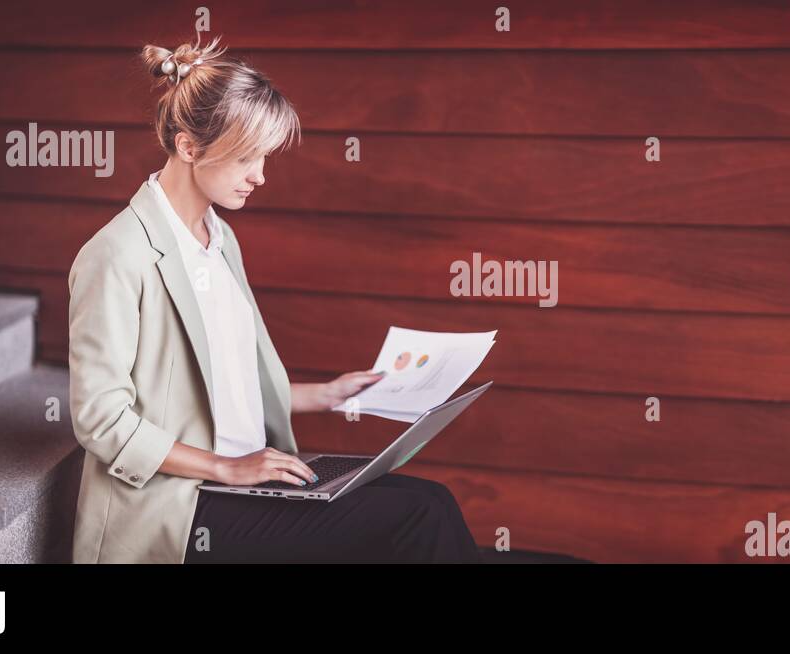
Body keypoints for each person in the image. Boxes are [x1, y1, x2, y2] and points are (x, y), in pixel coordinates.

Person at [66, 36, 481, 563]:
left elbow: (223, 380)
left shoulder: (218, 239)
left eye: (264, 156)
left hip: (247, 476)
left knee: (430, 498)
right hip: (183, 504)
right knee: (418, 518)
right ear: (188, 145)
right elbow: (100, 419)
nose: (260, 175)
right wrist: (226, 468)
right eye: (245, 157)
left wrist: (325, 395)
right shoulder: (116, 255)